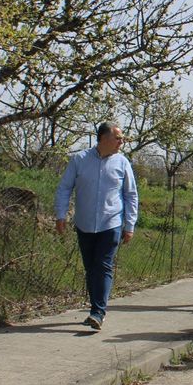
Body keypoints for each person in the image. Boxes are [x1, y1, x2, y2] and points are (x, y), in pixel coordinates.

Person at [54, 122, 139, 331]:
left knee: (103, 265)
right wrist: (60, 214)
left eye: (122, 138)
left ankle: (98, 312)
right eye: (118, 138)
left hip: (111, 223)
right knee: (91, 268)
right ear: (103, 138)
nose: (122, 142)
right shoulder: (80, 160)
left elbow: (131, 195)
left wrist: (130, 225)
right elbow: (65, 188)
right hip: (84, 223)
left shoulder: (122, 163)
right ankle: (95, 308)